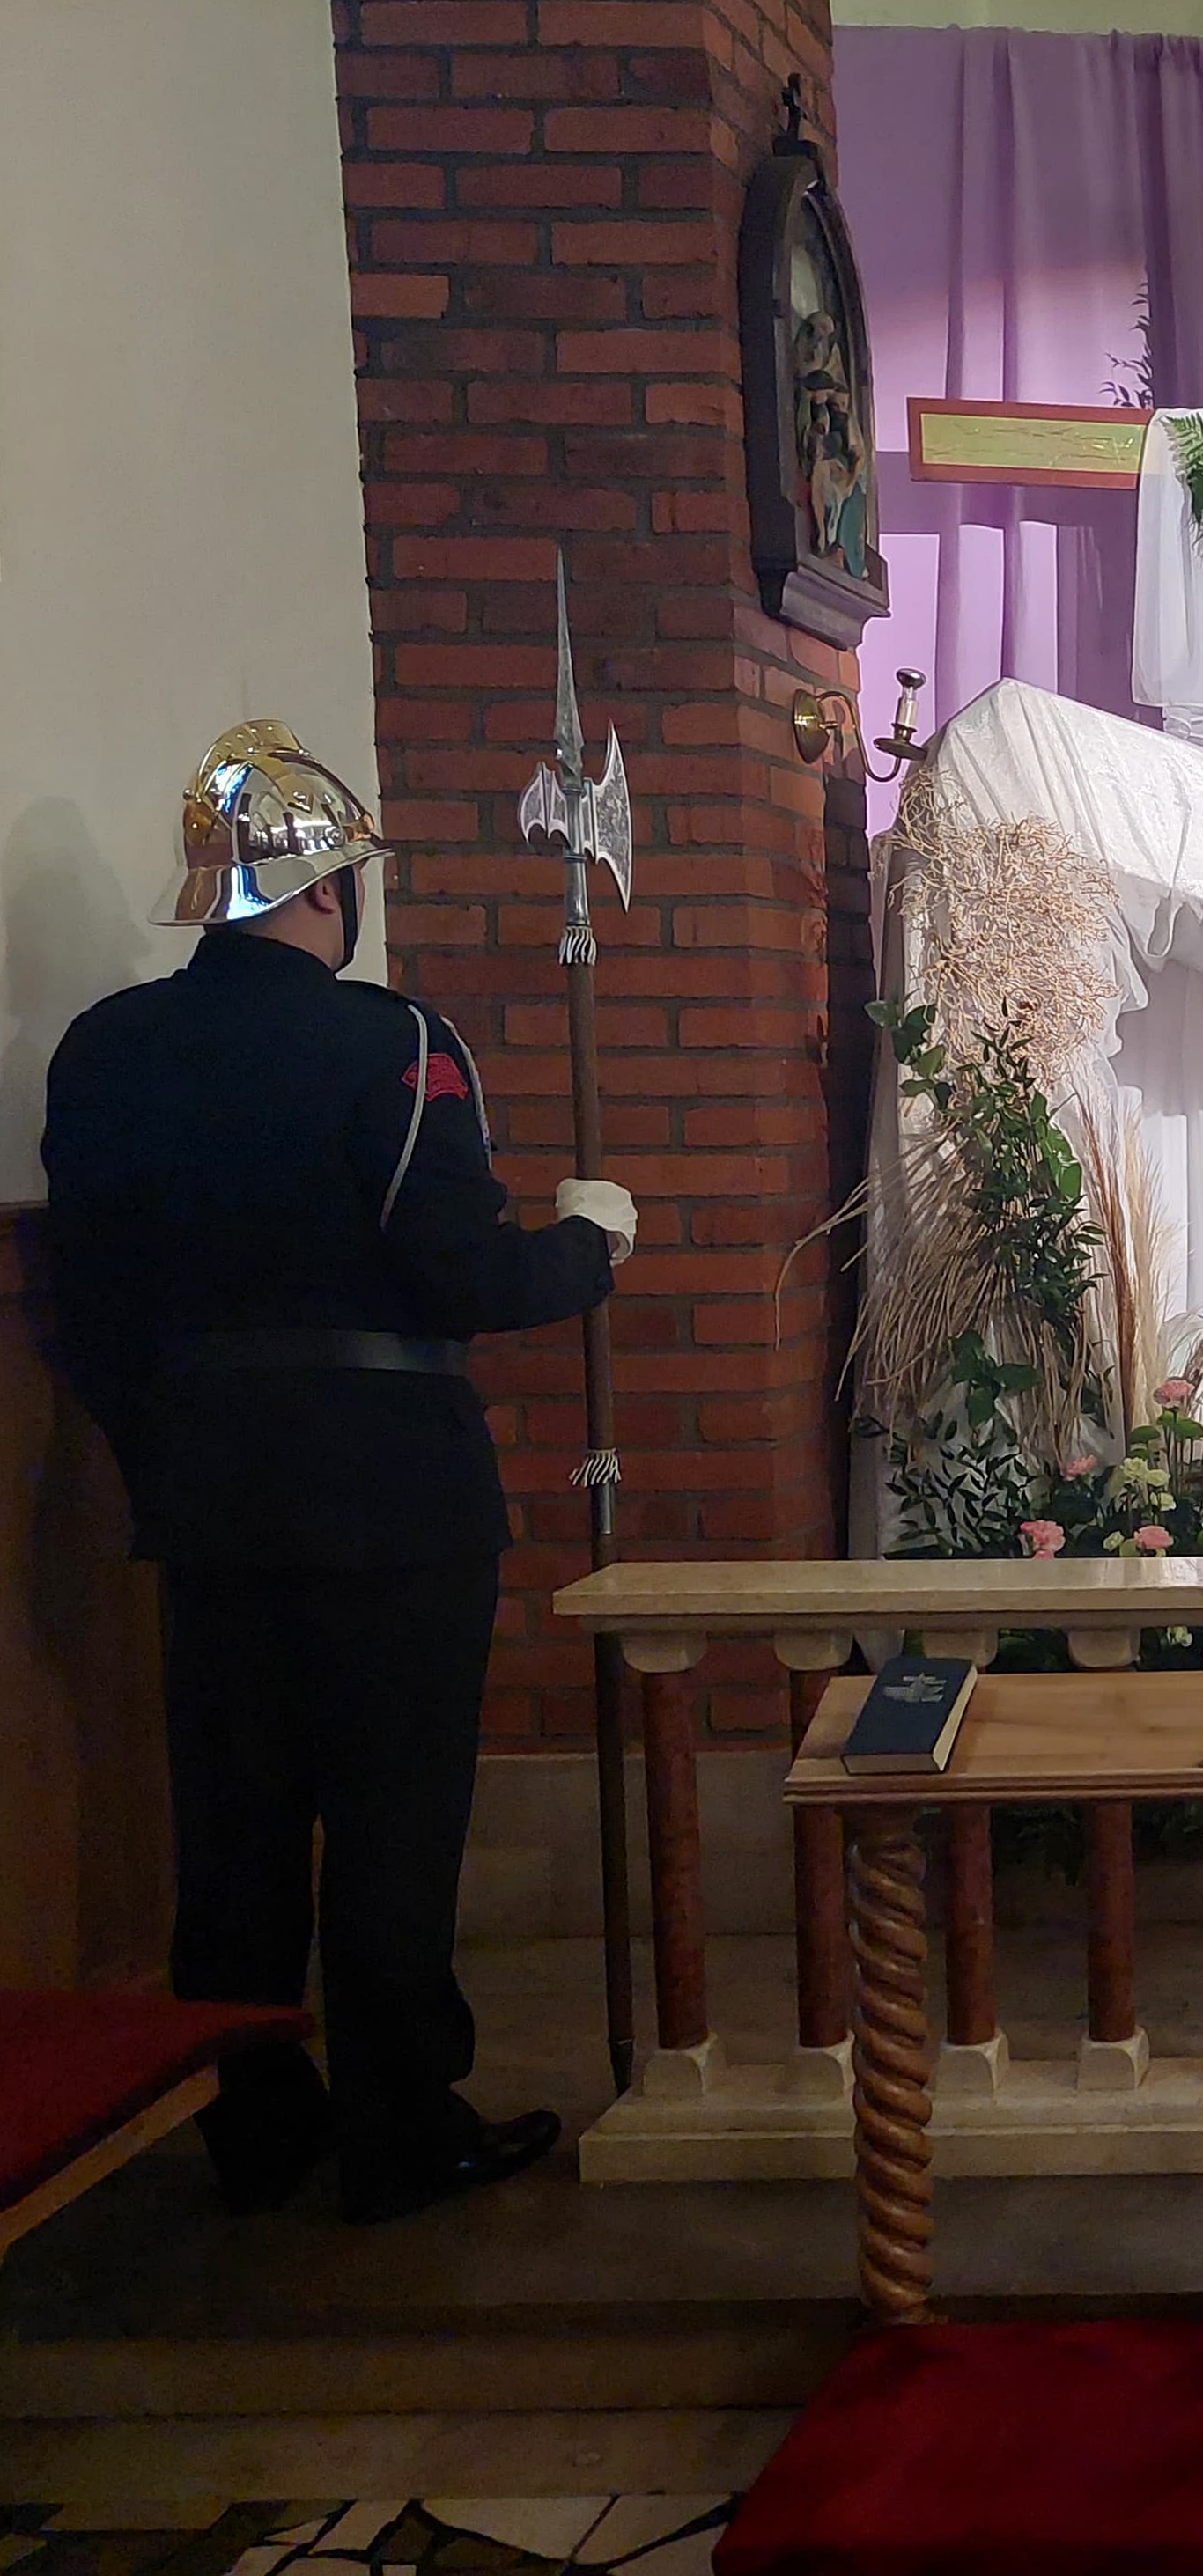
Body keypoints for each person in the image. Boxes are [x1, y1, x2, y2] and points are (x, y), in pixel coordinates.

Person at [41, 723, 639, 2225]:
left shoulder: (104, 1049)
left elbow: (83, 1308)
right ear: (326, 891)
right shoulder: (393, 1043)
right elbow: (455, 1278)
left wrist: (165, 1453)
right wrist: (589, 1247)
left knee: (233, 1833)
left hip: (206, 1500)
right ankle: (400, 2128)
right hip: (390, 1497)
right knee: (390, 1822)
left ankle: (249, 2123)